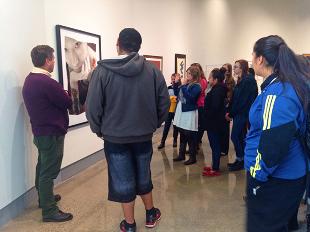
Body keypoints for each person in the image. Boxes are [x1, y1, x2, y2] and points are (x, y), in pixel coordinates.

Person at [86, 28, 169, 232]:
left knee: (123, 180)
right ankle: (150, 214)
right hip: (143, 135)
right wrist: (154, 124)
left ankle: (130, 225)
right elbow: (164, 103)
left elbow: (92, 107)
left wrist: (99, 129)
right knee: (143, 175)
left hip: (114, 138)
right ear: (138, 46)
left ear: (118, 43)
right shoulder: (152, 71)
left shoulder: (102, 71)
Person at [245, 35, 309, 232]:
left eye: (252, 55)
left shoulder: (278, 92)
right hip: (286, 175)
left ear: (260, 59)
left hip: (276, 178)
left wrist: (257, 175)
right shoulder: (283, 86)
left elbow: (273, 146)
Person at [22, 45, 73, 222]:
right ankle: (49, 211)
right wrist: (65, 92)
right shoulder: (47, 82)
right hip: (51, 133)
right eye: (52, 59)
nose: (53, 62)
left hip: (41, 132)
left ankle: (44, 199)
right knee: (48, 171)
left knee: (42, 166)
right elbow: (66, 101)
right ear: (46, 61)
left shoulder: (29, 80)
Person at [226, 59, 258, 171]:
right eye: (234, 66)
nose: (234, 69)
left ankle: (241, 159)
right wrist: (230, 111)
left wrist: (231, 113)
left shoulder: (247, 80)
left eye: (236, 67)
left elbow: (242, 101)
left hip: (243, 114)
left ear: (242, 68)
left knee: (235, 136)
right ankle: (241, 159)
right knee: (240, 136)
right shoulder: (241, 80)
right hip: (239, 113)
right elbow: (235, 99)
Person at [173, 66, 201, 165]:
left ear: (194, 75)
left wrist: (183, 86)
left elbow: (190, 98)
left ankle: (192, 157)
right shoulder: (187, 84)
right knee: (182, 132)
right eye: (187, 73)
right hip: (182, 110)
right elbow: (177, 93)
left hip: (189, 112)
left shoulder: (197, 86)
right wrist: (176, 83)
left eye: (189, 73)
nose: (187, 75)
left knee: (190, 135)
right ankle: (181, 154)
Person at [202, 67, 227, 176]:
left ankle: (215, 169)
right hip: (215, 121)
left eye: (210, 77)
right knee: (214, 145)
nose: (208, 79)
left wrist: (207, 115)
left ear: (215, 79)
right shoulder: (218, 88)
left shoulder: (217, 90)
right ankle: (214, 166)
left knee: (215, 145)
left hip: (214, 122)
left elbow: (215, 107)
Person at [158, 73, 180, 149]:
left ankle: (175, 140)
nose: (173, 81)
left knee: (175, 127)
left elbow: (178, 97)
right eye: (172, 79)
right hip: (169, 110)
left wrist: (174, 98)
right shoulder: (168, 88)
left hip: (176, 110)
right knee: (166, 126)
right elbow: (166, 98)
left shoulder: (179, 88)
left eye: (174, 79)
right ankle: (162, 142)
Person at [191, 63, 208, 148]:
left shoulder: (202, 81)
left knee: (199, 125)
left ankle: (196, 143)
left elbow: (197, 93)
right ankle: (195, 143)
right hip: (195, 105)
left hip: (200, 105)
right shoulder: (196, 81)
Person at [221, 63, 235, 156]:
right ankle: (221, 147)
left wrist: (227, 103)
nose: (224, 70)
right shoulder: (221, 79)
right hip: (221, 105)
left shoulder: (231, 81)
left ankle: (225, 149)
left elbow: (231, 94)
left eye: (225, 69)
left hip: (226, 105)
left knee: (225, 128)